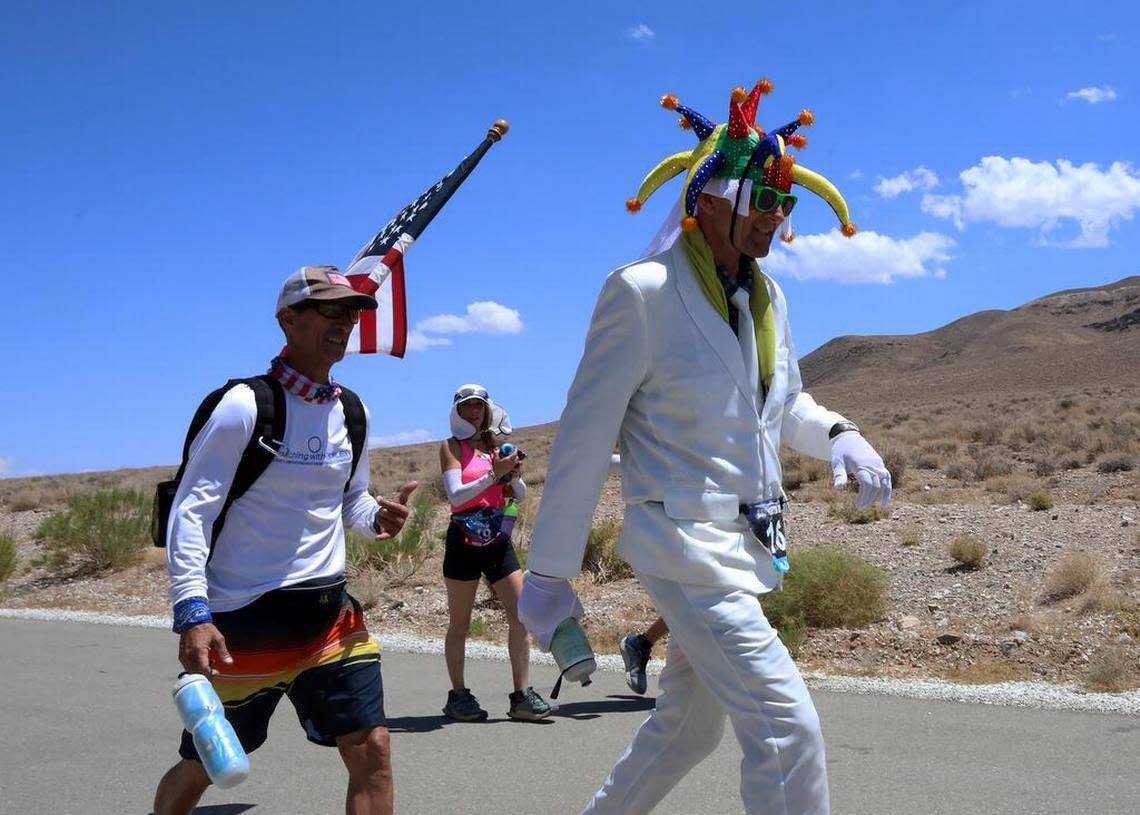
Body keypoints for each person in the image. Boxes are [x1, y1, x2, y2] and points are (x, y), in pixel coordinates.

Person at [518, 80, 891, 814]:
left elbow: (784, 406)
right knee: (787, 729)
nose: (778, 217)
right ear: (712, 198)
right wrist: (549, 573)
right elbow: (585, 438)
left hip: (747, 546)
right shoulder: (641, 293)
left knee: (687, 728)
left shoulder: (770, 297)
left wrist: (842, 435)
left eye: (787, 203)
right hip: (682, 548)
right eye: (766, 198)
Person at [154, 265, 417, 815]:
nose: (344, 322)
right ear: (288, 319)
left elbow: (352, 500)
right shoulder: (245, 405)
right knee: (206, 765)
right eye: (330, 309)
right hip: (245, 624)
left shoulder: (352, 410)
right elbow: (191, 512)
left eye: (351, 312)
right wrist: (192, 613)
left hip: (328, 619)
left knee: (372, 748)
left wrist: (378, 521)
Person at [437, 384, 552, 722]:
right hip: (463, 541)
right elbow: (456, 496)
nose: (474, 413)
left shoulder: (496, 446)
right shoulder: (450, 447)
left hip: (499, 540)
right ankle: (458, 695)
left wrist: (512, 477)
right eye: (467, 407)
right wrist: (493, 474)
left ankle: (521, 696)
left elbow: (519, 493)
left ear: (487, 410)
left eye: (479, 407)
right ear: (457, 412)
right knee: (460, 623)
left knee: (521, 616)